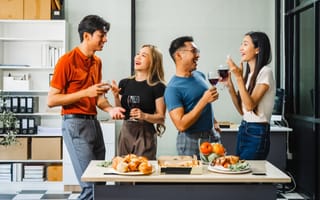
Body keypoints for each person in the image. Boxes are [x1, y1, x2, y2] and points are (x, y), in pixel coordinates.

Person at [47, 15, 125, 200]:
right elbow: (51, 100)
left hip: (93, 123)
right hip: (74, 124)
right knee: (90, 187)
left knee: (100, 183)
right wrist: (85, 93)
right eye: (101, 35)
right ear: (87, 36)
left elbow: (98, 98)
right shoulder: (67, 61)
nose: (105, 39)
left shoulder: (97, 62)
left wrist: (110, 109)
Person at [164, 36, 221, 158]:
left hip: (211, 136)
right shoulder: (172, 89)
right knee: (195, 176)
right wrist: (204, 100)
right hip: (191, 140)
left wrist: (214, 122)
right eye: (193, 51)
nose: (198, 55)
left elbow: (199, 102)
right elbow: (181, 125)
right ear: (179, 55)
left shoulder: (199, 75)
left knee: (216, 175)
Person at [225, 31, 275, 160]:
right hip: (244, 128)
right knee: (241, 173)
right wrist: (230, 86)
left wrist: (238, 77)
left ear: (258, 49)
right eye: (241, 44)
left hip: (257, 131)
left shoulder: (265, 72)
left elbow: (250, 105)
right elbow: (243, 111)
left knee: (249, 176)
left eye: (245, 44)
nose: (241, 48)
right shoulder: (249, 76)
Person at [111, 44, 166, 160]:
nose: (138, 57)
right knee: (123, 171)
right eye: (137, 54)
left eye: (143, 55)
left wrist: (144, 115)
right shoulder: (124, 83)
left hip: (145, 133)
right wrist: (116, 96)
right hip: (126, 131)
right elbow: (121, 113)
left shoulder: (158, 86)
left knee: (143, 172)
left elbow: (161, 117)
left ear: (153, 62)